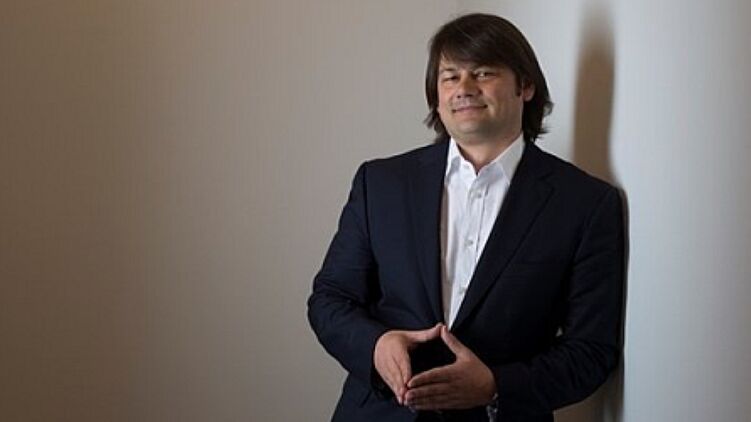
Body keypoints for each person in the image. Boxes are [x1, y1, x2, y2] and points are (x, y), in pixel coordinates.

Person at [307, 13, 624, 422]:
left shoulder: (586, 203)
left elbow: (591, 350)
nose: (464, 88)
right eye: (450, 77)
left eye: (484, 72)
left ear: (526, 86)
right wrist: (376, 346)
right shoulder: (380, 183)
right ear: (436, 96)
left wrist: (494, 386)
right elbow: (330, 298)